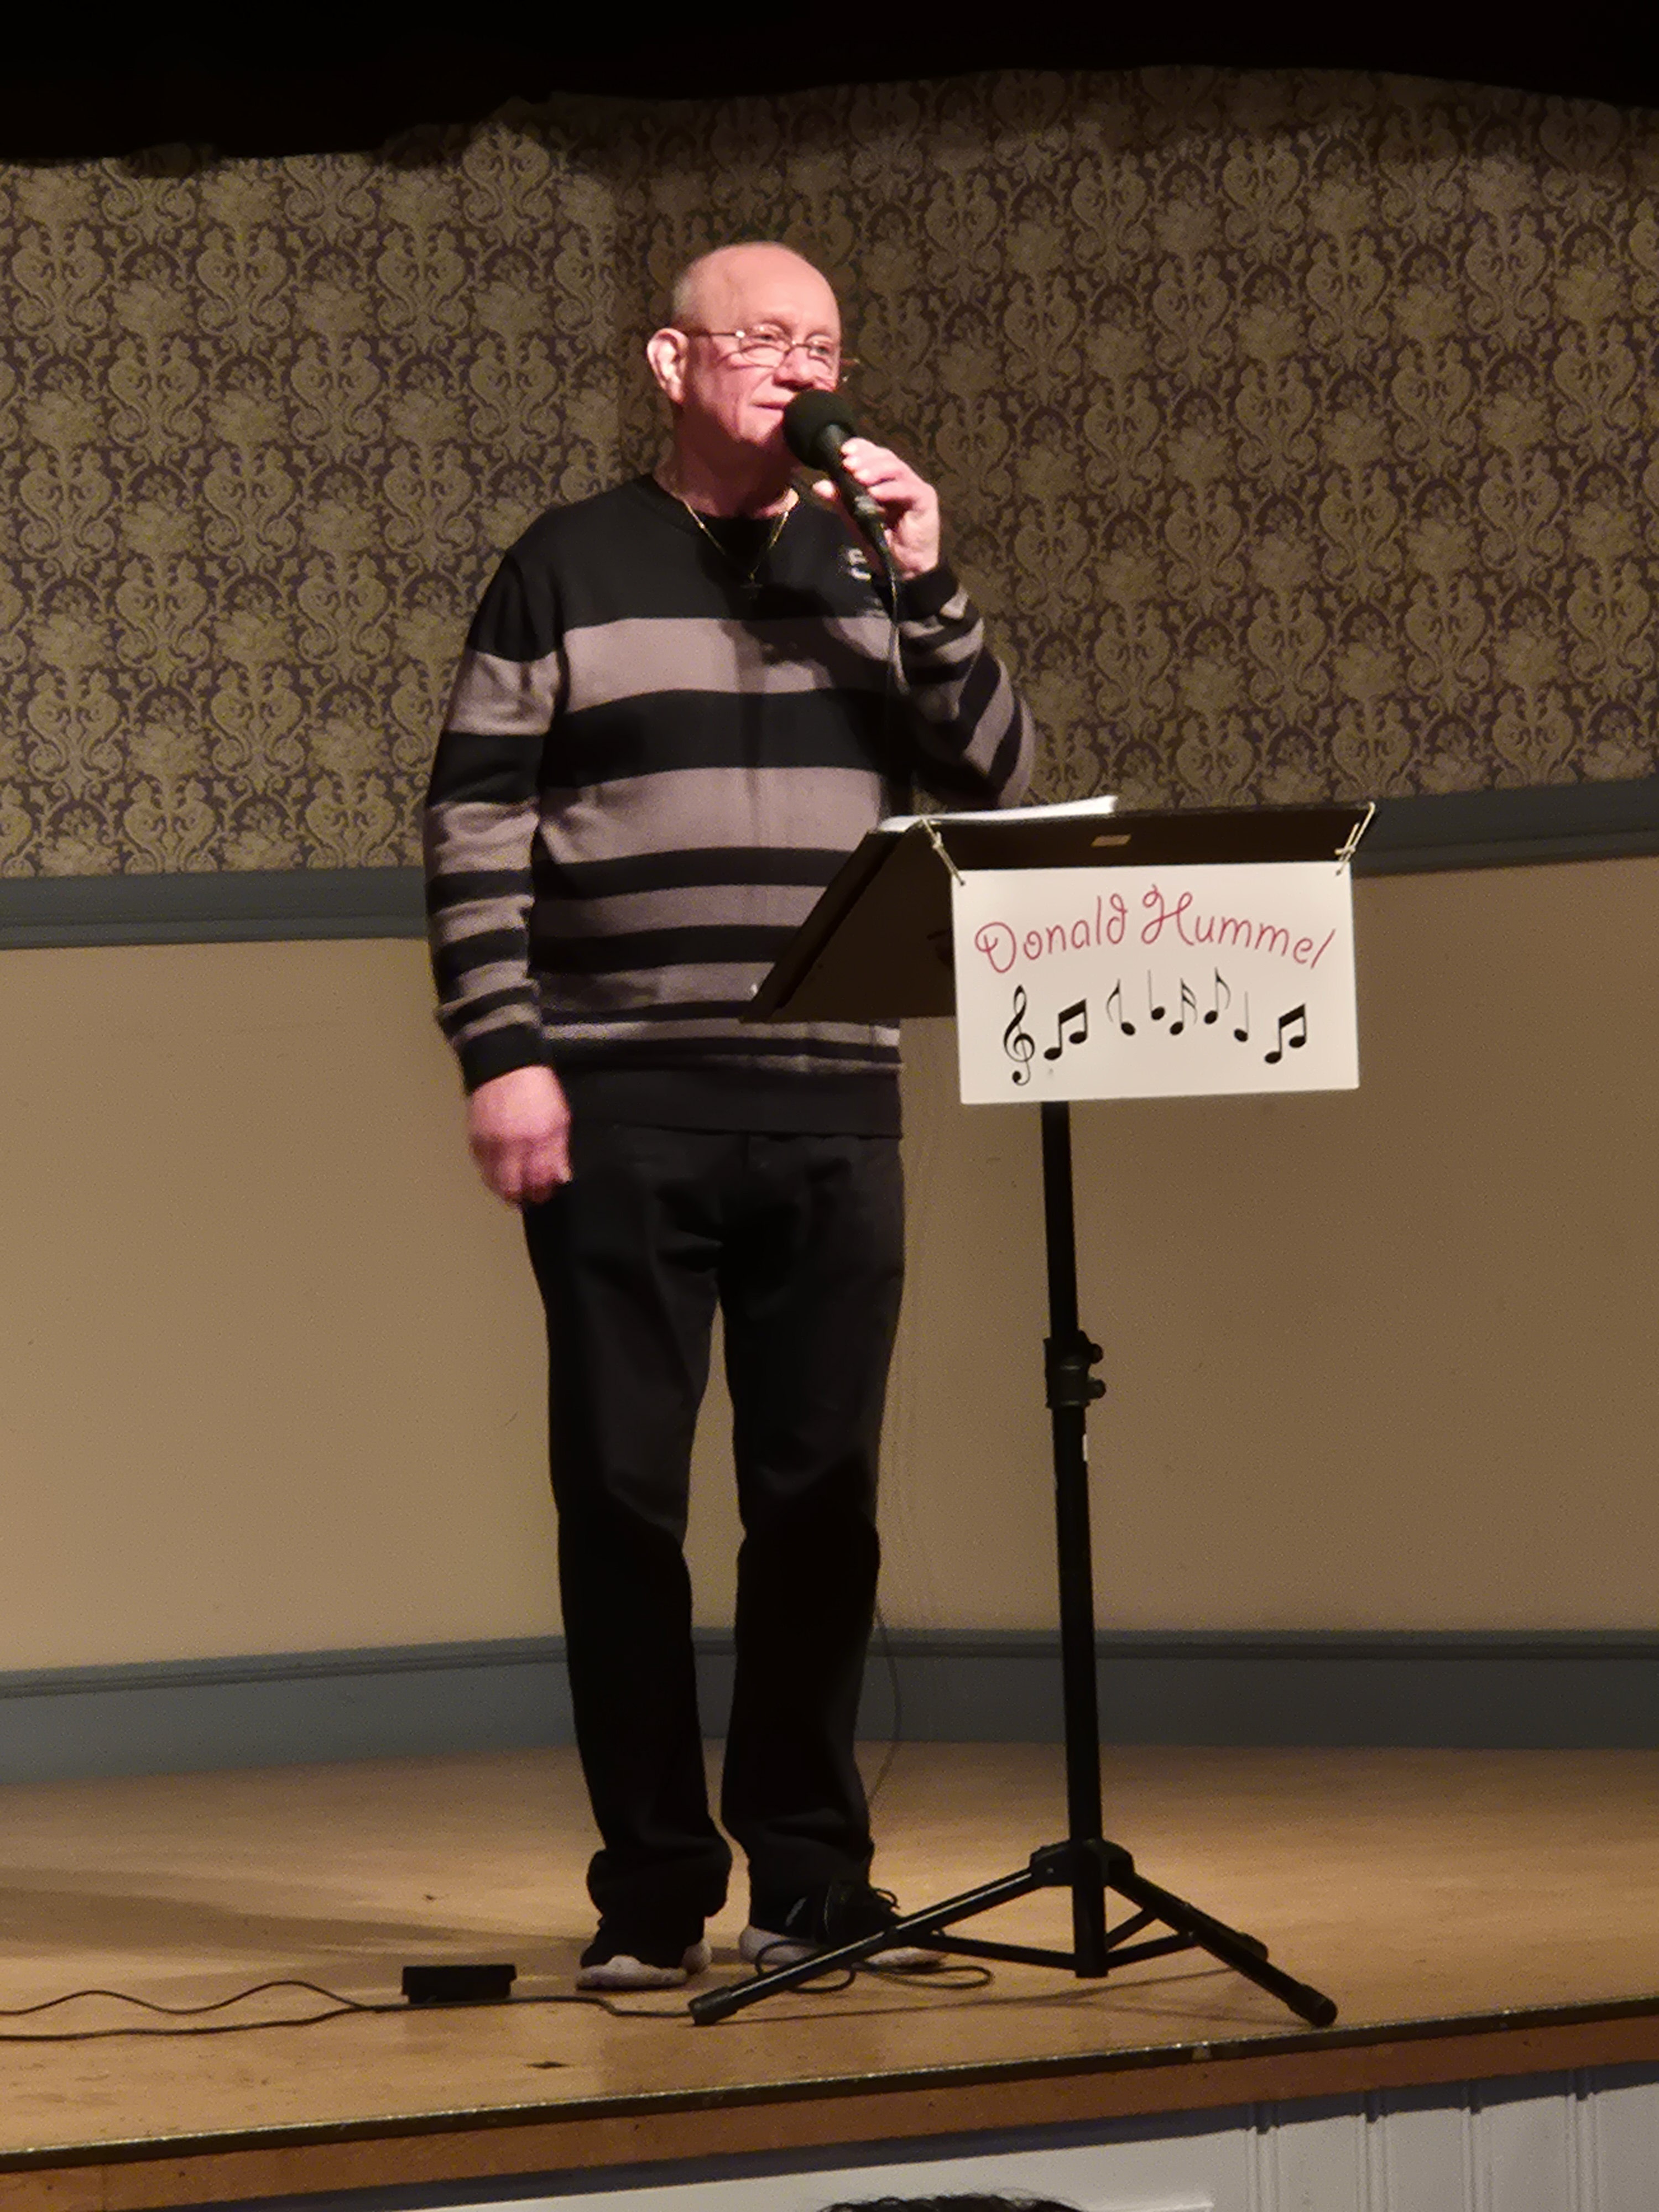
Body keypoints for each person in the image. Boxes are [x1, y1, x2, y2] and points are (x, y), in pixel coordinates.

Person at [424, 241, 1035, 1990]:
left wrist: (932, 580)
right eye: (762, 340)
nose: (798, 370)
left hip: (834, 1101)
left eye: (822, 345)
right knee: (624, 1501)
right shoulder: (564, 562)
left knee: (822, 1499)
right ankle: (650, 1889)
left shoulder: (873, 562)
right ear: (670, 362)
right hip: (622, 1099)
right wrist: (502, 1052)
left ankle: (810, 1881)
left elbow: (998, 792)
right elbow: (475, 821)